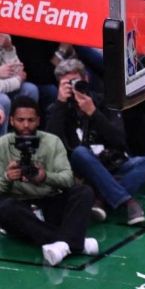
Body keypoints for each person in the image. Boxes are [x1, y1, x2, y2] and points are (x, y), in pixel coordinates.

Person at [46, 58, 145, 225]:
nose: (73, 87)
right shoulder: (57, 109)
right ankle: (128, 201)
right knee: (80, 153)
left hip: (113, 163)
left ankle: (101, 197)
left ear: (86, 79)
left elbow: (119, 140)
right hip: (82, 171)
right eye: (67, 83)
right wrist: (60, 105)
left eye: (76, 81)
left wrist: (93, 113)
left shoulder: (104, 102)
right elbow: (51, 145)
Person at [0, 96, 97, 266]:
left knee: (84, 191)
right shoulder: (1, 145)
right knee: (5, 208)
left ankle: (61, 243)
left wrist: (45, 177)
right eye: (21, 120)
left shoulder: (52, 142)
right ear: (12, 120)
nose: (25, 125)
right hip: (20, 208)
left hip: (49, 201)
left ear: (38, 120)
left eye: (30, 120)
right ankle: (76, 243)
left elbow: (68, 179)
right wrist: (7, 178)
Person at [0, 34, 39, 135]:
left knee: (30, 89)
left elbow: (18, 70)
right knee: (3, 100)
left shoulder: (3, 37)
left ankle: (24, 135)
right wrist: (17, 81)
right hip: (3, 89)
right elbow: (18, 78)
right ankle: (3, 142)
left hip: (7, 84)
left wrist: (8, 48)